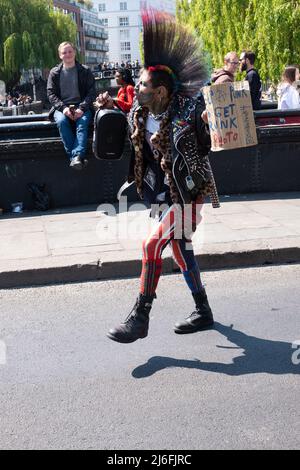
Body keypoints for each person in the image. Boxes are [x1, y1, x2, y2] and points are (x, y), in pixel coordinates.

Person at [107, 10, 220, 344]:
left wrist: (208, 120)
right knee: (181, 249)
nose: (135, 87)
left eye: (141, 84)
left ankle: (140, 317)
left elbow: (211, 143)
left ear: (160, 91)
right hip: (161, 195)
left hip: (188, 193)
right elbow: (129, 143)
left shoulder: (188, 113)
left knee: (152, 245)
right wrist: (107, 105)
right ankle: (203, 310)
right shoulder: (139, 114)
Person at [47, 41, 96, 170]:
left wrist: (82, 108)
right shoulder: (54, 73)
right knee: (62, 122)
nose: (67, 54)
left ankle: (76, 156)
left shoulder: (85, 71)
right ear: (60, 55)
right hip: (61, 107)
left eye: (70, 51)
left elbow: (91, 92)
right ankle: (76, 157)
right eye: (64, 52)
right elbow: (51, 94)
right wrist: (63, 109)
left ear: (74, 52)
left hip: (82, 106)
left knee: (82, 123)